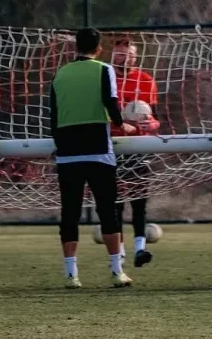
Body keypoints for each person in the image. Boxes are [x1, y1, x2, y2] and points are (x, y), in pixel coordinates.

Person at [50, 28, 138, 289]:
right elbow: (111, 103)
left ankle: (71, 274)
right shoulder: (104, 70)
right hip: (98, 150)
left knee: (70, 213)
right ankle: (116, 270)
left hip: (67, 153)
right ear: (99, 49)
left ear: (75, 47)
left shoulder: (60, 74)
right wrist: (124, 125)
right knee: (108, 212)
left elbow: (53, 115)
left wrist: (59, 143)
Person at [111, 38, 160, 268]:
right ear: (112, 55)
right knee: (116, 203)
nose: (125, 58)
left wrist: (153, 125)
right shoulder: (106, 78)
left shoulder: (146, 80)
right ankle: (119, 253)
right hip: (114, 146)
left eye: (129, 54)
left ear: (136, 56)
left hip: (139, 147)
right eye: (120, 54)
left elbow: (156, 118)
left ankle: (140, 249)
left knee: (139, 199)